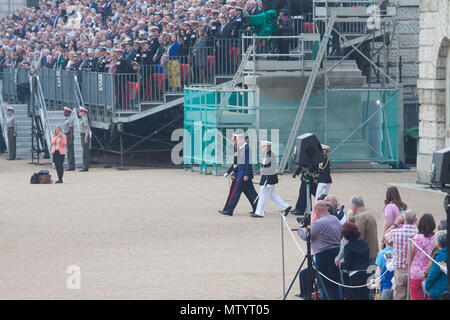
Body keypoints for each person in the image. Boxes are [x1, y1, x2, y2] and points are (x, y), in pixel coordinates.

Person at [297, 200, 342, 300]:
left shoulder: (319, 223)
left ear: (317, 210)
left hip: (323, 255)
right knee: (335, 281)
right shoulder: (335, 219)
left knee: (324, 283)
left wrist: (299, 228)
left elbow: (306, 237)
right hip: (336, 252)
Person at [219, 134, 258, 216]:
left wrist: (246, 174)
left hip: (242, 175)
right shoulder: (243, 148)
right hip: (240, 173)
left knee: (236, 193)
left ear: (241, 140)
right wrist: (233, 171)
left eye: (237, 140)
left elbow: (248, 163)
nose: (236, 142)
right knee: (251, 193)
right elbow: (239, 164)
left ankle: (229, 210)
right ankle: (258, 208)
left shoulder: (246, 148)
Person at [251, 140, 291, 218]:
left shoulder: (269, 155)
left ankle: (259, 212)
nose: (262, 148)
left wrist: (267, 181)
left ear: (268, 147)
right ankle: (286, 207)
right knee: (272, 195)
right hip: (268, 179)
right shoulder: (268, 155)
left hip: (268, 179)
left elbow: (269, 169)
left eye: (263, 147)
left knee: (263, 195)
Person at [385, 210, 418, 300]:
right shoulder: (418, 233)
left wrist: (395, 224)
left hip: (400, 270)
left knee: (399, 295)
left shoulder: (396, 232)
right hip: (414, 270)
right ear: (415, 220)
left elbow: (385, 237)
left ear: (403, 219)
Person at [339, 222, 371, 300]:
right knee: (365, 296)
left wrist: (340, 265)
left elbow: (348, 264)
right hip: (367, 272)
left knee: (355, 297)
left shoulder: (348, 247)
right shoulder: (363, 243)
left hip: (355, 275)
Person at [408, 213, 436, 300]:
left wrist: (408, 272)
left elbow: (408, 260)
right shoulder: (436, 239)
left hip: (415, 274)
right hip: (430, 273)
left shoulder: (415, 239)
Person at [350, 196, 379, 264]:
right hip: (373, 251)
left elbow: (359, 237)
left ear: (354, 206)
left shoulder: (361, 217)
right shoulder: (369, 214)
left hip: (366, 254)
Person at [425, 230, 448, 300]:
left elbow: (433, 275)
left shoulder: (441, 256)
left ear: (437, 244)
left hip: (439, 292)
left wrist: (426, 286)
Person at [63, 107, 75, 171]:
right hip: (66, 135)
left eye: (65, 112)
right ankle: (70, 165)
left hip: (68, 135)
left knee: (70, 151)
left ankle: (71, 165)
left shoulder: (70, 120)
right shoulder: (67, 119)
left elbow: (71, 129)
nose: (64, 113)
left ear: (68, 112)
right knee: (69, 151)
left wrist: (71, 138)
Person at [79, 106, 90, 172]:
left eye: (80, 112)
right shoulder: (82, 119)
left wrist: (86, 138)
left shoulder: (84, 119)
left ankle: (85, 167)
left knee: (85, 152)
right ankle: (84, 166)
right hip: (82, 135)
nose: (79, 113)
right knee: (84, 151)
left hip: (84, 135)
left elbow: (86, 129)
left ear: (83, 112)